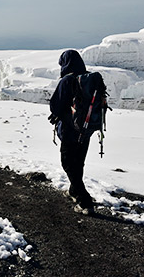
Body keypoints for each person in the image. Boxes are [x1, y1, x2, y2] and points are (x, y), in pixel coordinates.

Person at [50, 49, 95, 215]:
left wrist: (58, 114)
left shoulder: (67, 80)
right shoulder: (89, 79)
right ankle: (74, 191)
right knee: (78, 163)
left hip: (70, 131)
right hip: (87, 130)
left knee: (68, 163)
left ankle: (85, 202)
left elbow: (56, 105)